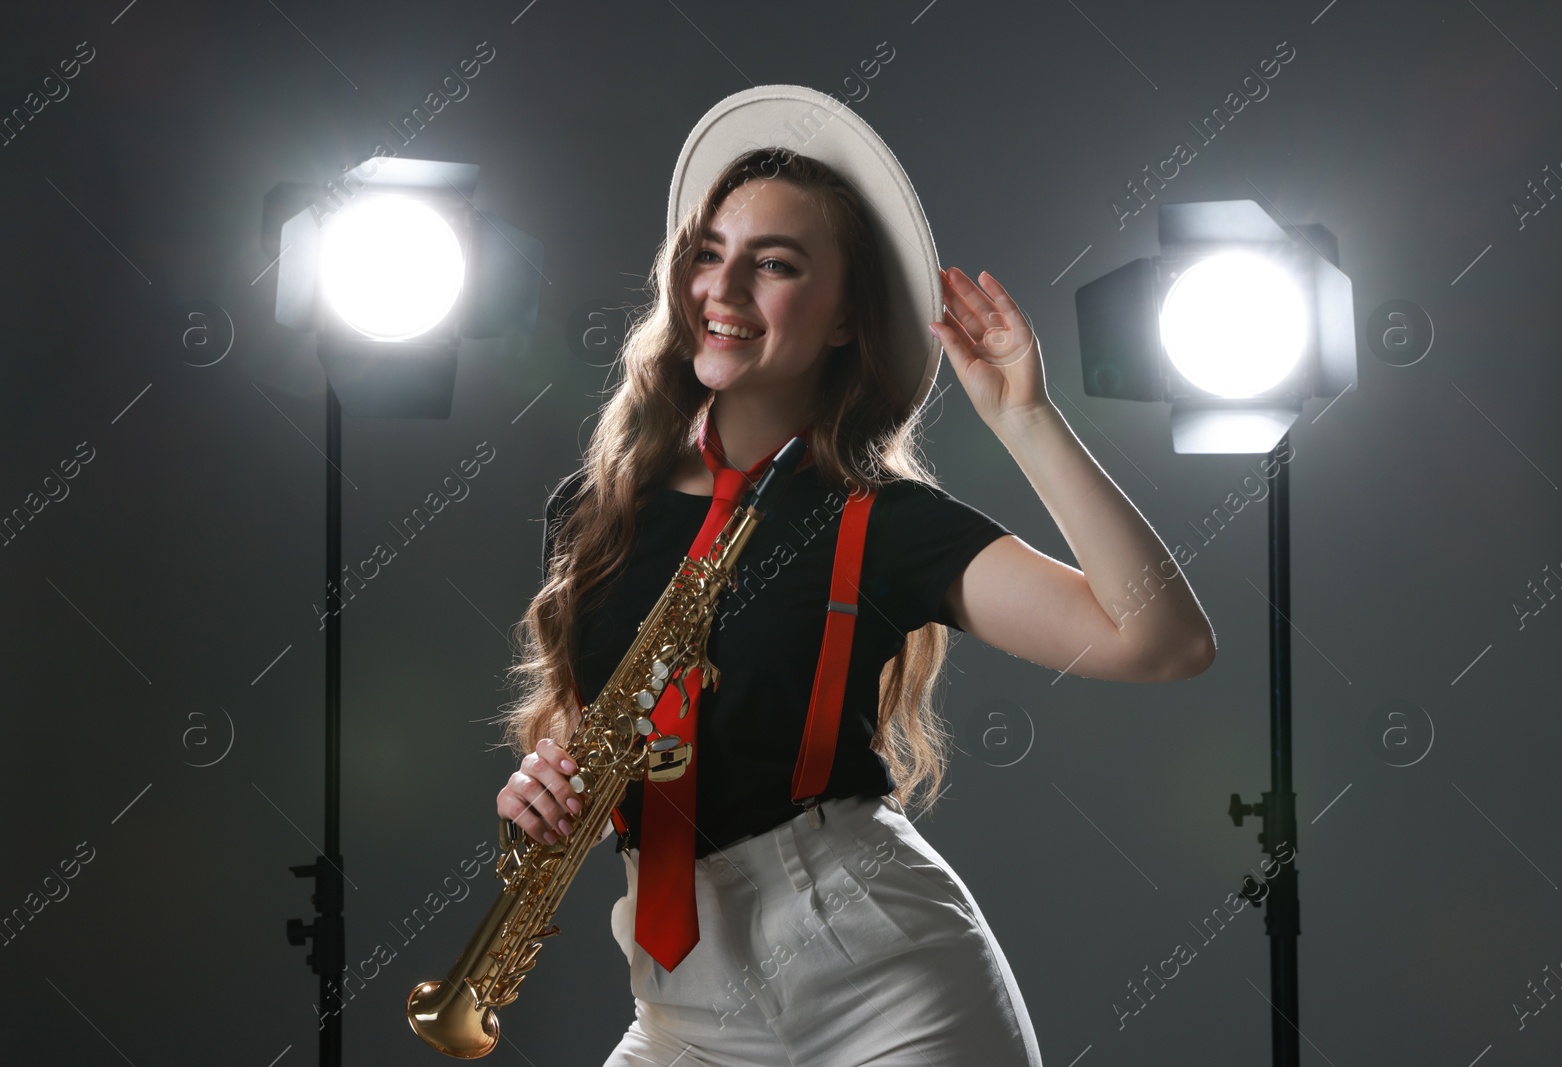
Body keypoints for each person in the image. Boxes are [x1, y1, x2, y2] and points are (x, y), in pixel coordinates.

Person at [495, 85, 1215, 1066]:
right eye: (709, 252)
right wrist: (548, 781)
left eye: (776, 264)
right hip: (683, 1011)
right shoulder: (593, 513)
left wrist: (1025, 419)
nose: (723, 286)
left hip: (880, 988)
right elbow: (617, 732)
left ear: (842, 321)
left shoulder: (882, 523)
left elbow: (1161, 640)